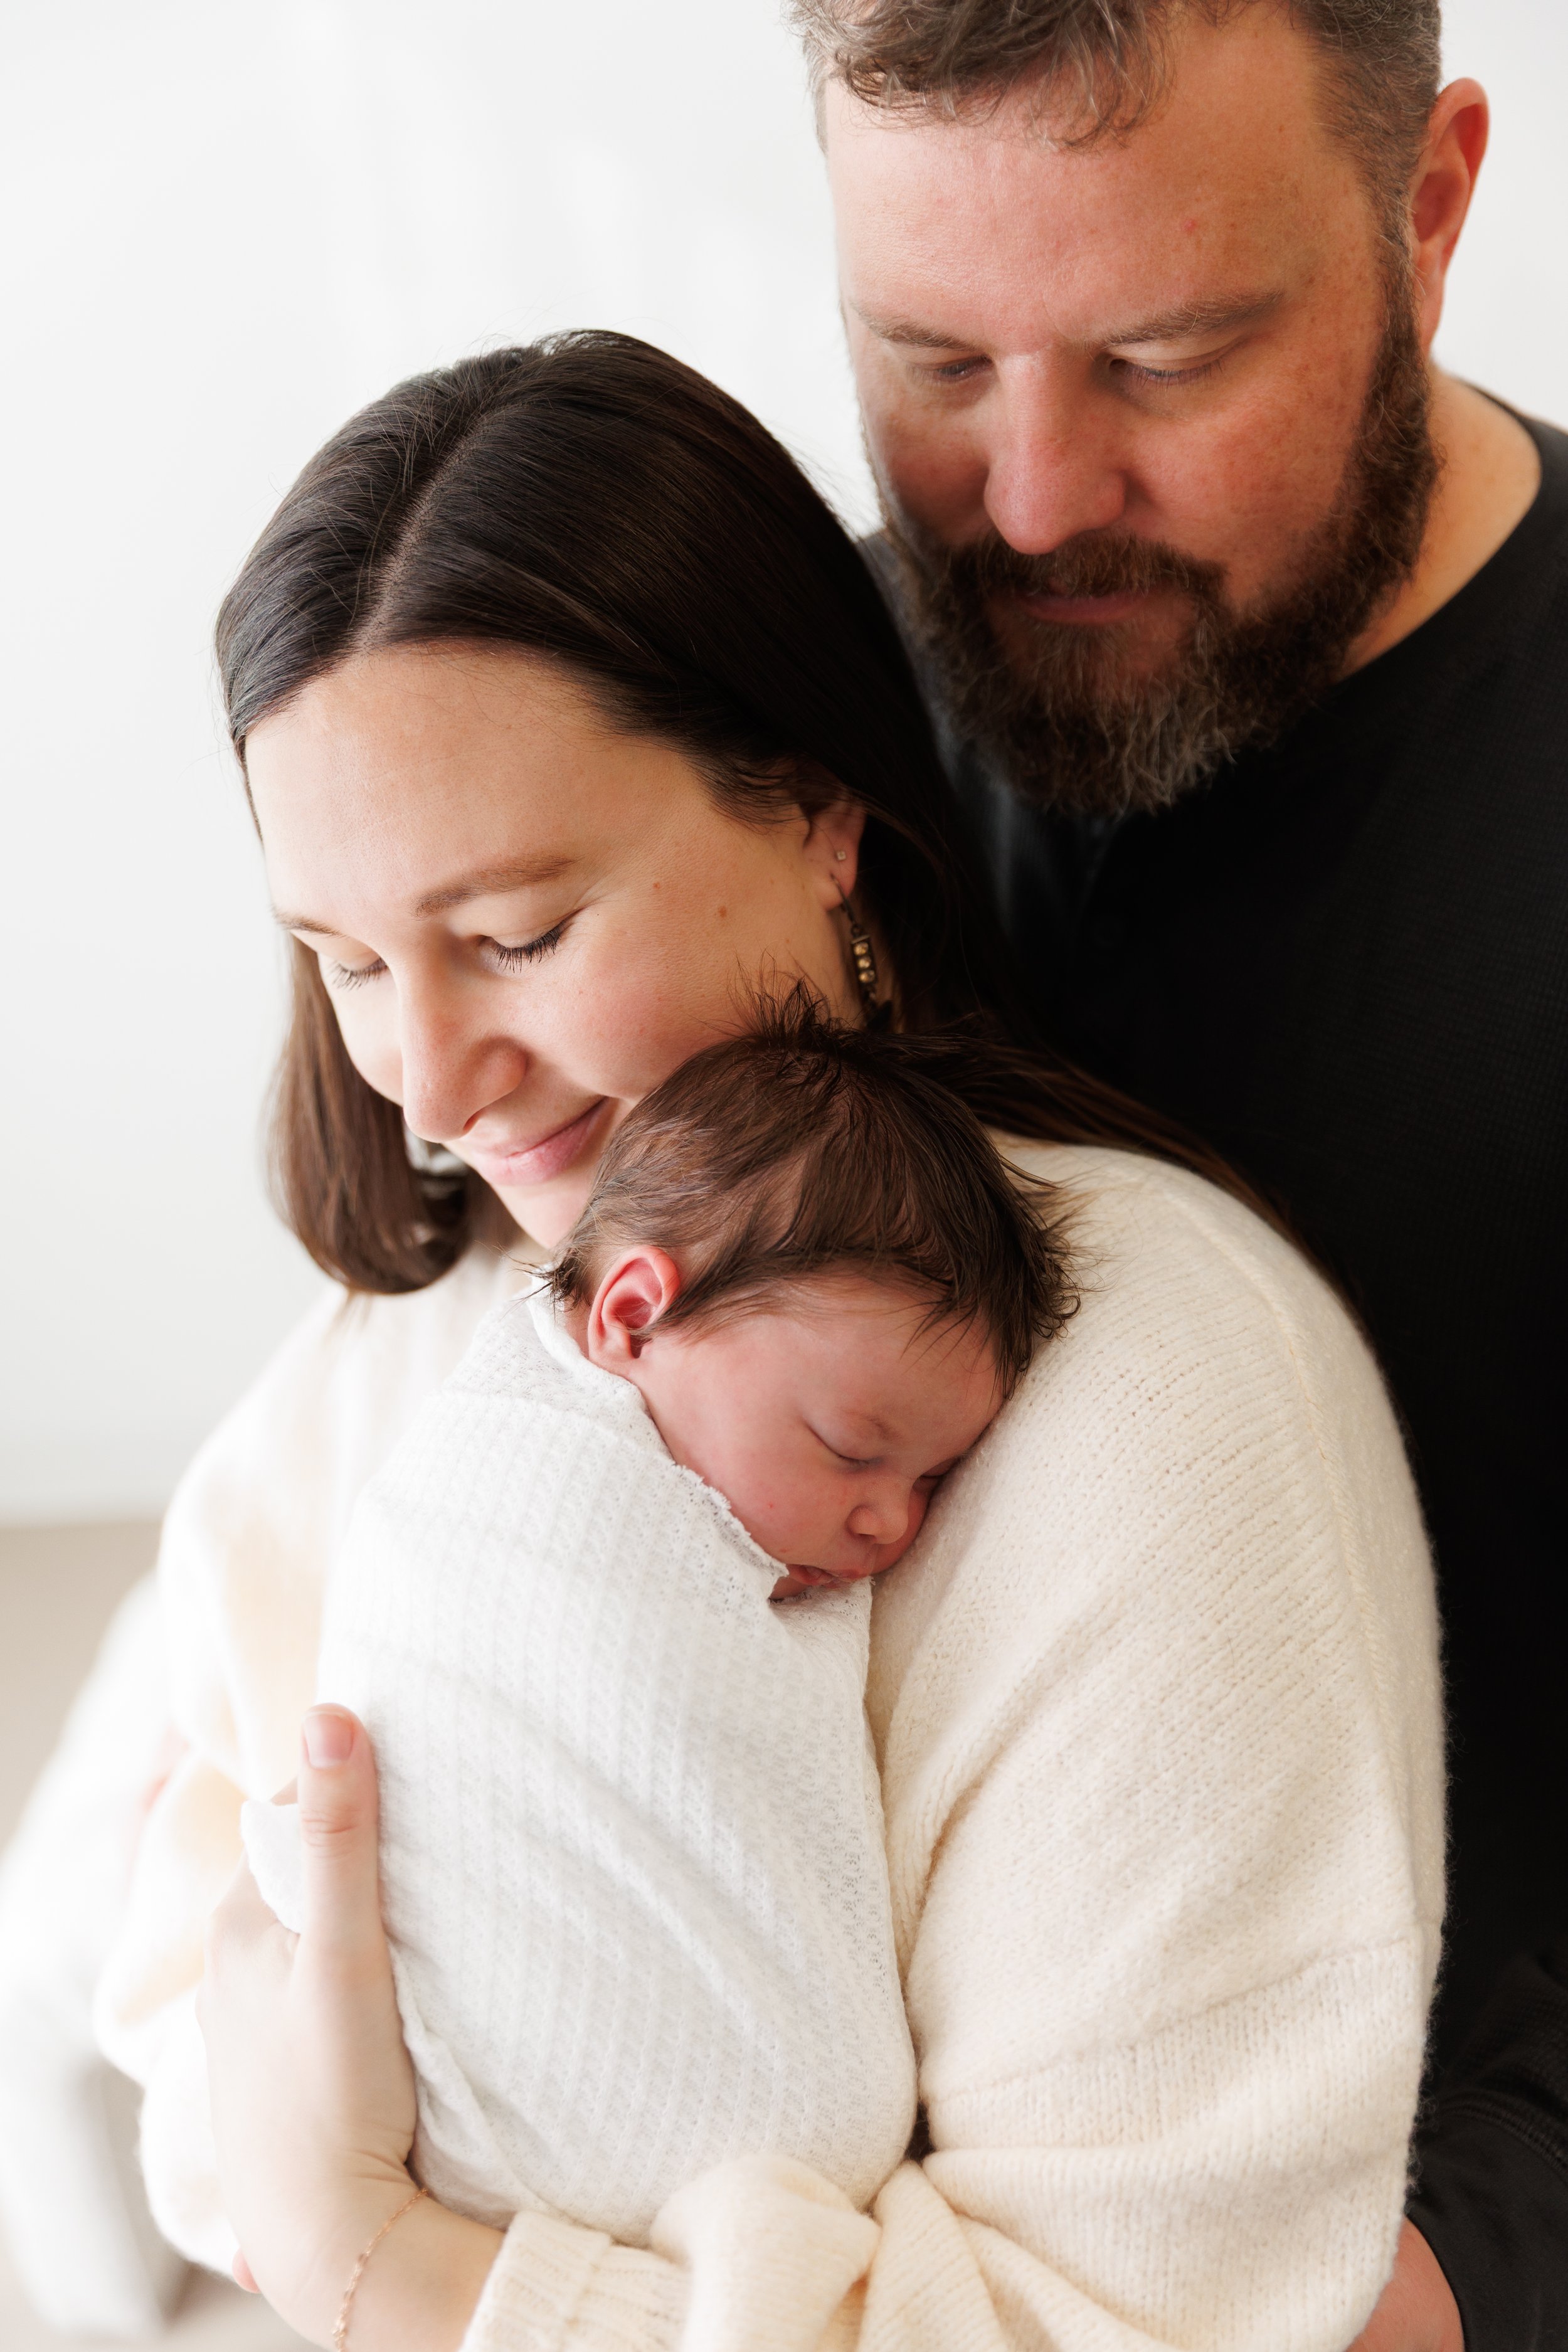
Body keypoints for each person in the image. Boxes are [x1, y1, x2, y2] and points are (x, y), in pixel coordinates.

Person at [100, 335, 1441, 2352]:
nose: (429, 1083)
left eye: (522, 933)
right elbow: (182, 2021)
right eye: (348, 962)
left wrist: (378, 2260)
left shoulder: (1152, 1385)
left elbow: (1119, 2311)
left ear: (819, 814)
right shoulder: (446, 1323)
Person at [796, 0, 1567, 2341]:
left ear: (1428, 207)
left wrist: (1449, 2278)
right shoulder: (777, 711)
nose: (1028, 501)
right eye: (930, 359)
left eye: (1163, 357)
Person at [136, 1005, 1071, 2263]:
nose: (886, 1527)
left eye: (927, 1483)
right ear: (631, 1316)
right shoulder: (498, 1467)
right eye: (854, 1451)